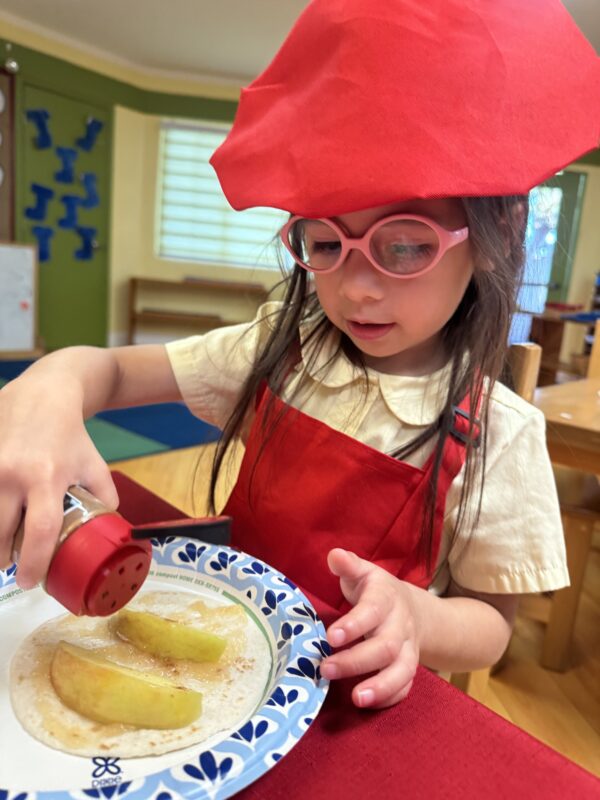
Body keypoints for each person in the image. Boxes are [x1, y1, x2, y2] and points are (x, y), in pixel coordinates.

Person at [0, 0, 598, 710]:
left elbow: (492, 625)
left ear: (495, 236)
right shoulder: (278, 351)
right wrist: (49, 385)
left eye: (406, 244)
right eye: (324, 242)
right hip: (226, 669)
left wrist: (419, 618)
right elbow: (113, 371)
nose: (357, 287)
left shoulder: (502, 434)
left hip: (356, 700)